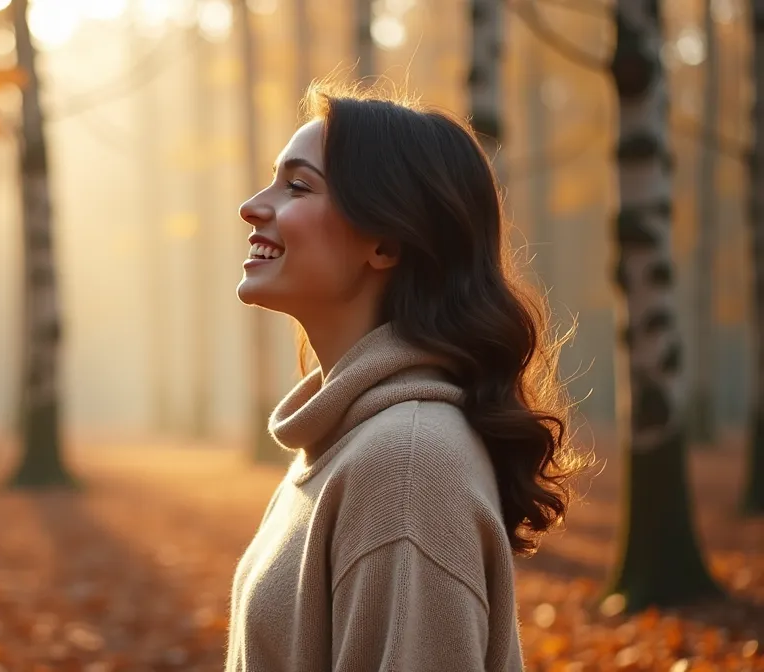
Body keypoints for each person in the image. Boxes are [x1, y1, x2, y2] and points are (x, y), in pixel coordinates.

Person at [224, 81, 591, 671]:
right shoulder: (342, 446)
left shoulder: (407, 465)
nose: (253, 205)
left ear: (386, 243)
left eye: (297, 186)